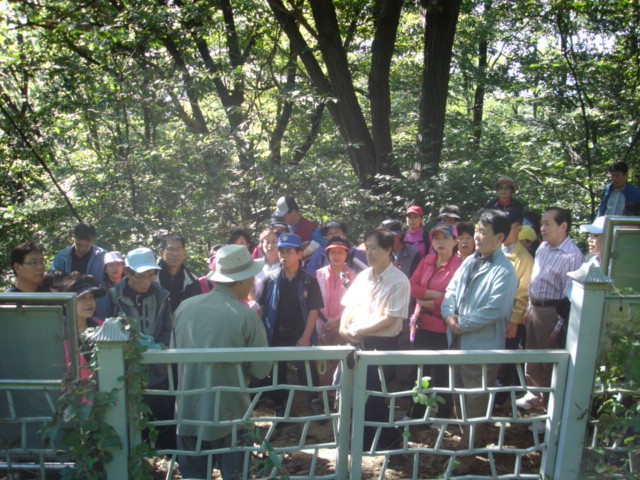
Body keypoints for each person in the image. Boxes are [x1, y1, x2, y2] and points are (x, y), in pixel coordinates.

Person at [172, 244, 271, 480]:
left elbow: (173, 354)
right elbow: (261, 368)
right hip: (231, 414)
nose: (253, 282)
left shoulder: (185, 308)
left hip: (188, 414)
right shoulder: (246, 315)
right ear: (241, 280)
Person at [441, 209, 517, 473]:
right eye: (477, 230)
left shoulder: (504, 269)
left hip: (482, 345)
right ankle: (469, 445)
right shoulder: (469, 260)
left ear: (499, 238)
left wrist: (462, 324)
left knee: (476, 400)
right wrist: (449, 315)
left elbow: (496, 310)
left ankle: (468, 457)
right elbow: (451, 290)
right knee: (461, 396)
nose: (477, 236)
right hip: (458, 342)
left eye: (484, 232)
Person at [340, 228, 410, 449]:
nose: (369, 253)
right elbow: (349, 306)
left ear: (388, 249)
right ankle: (363, 440)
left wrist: (358, 330)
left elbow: (390, 320)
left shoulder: (399, 280)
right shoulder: (363, 276)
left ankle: (390, 439)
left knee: (372, 395)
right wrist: (343, 328)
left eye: (374, 248)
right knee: (352, 392)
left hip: (382, 345)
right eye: (366, 248)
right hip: (357, 342)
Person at [105, 247, 174, 447]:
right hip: (124, 372)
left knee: (160, 420)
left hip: (157, 372)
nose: (146, 281)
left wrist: (158, 347)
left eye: (151, 275)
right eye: (141, 276)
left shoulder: (161, 295)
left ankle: (164, 460)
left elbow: (168, 328)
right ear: (127, 273)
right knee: (127, 422)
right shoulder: (112, 296)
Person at [516, 207, 583, 410]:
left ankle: (548, 409)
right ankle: (534, 396)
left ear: (563, 226)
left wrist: (558, 328)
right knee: (532, 357)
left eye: (547, 224)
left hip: (553, 313)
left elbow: (569, 297)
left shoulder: (572, 256)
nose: (542, 228)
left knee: (549, 363)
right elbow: (536, 281)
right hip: (535, 309)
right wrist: (528, 307)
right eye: (541, 223)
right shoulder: (543, 248)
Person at [258, 233, 324, 416]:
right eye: (281, 252)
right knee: (277, 370)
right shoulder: (270, 279)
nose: (283, 256)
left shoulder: (308, 280)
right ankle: (279, 404)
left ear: (299, 254)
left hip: (300, 331)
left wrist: (305, 337)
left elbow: (313, 310)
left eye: (288, 252)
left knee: (307, 368)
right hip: (276, 333)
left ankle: (313, 400)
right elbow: (261, 308)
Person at [407, 223, 462, 420]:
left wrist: (426, 300)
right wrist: (432, 296)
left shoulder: (460, 266)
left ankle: (444, 418)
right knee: (419, 371)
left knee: (443, 374)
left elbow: (453, 299)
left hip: (443, 327)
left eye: (446, 238)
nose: (440, 242)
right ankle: (415, 415)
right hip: (421, 324)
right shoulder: (427, 260)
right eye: (437, 238)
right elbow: (411, 287)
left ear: (455, 241)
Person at [496, 208, 534, 402]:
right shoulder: (496, 250)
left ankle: (501, 399)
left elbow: (523, 294)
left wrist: (514, 321)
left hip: (509, 319)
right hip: (492, 318)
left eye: (508, 227)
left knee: (505, 359)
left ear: (518, 229)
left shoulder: (524, 258)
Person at [314, 236, 357, 390]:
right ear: (327, 254)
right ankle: (323, 396)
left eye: (340, 252)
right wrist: (326, 320)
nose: (336, 256)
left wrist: (337, 320)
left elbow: (355, 303)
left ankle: (338, 397)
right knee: (322, 362)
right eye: (333, 252)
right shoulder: (318, 274)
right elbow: (314, 301)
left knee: (341, 361)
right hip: (321, 323)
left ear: (346, 254)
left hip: (343, 324)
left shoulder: (353, 276)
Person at [61, 273, 106, 379]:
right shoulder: (57, 332)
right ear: (66, 302)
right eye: (82, 298)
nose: (89, 302)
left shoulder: (103, 327)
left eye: (92, 297)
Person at [157, 233, 198, 314]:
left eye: (179, 249)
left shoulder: (194, 281)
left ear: (184, 252)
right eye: (170, 249)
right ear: (161, 252)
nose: (175, 254)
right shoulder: (150, 279)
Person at [254, 227, 281, 299]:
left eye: (274, 242)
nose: (270, 245)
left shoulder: (285, 266)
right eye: (267, 242)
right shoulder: (254, 265)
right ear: (262, 244)